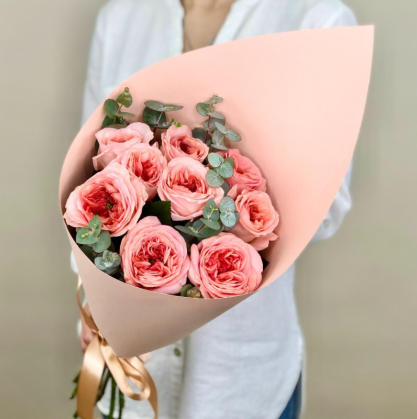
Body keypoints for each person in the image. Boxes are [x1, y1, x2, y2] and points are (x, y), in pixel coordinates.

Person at [78, 1, 357, 418]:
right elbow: (85, 181)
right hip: (130, 372)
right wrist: (96, 302)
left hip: (241, 380)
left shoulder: (315, 20)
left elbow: (329, 209)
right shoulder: (122, 17)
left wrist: (213, 201)